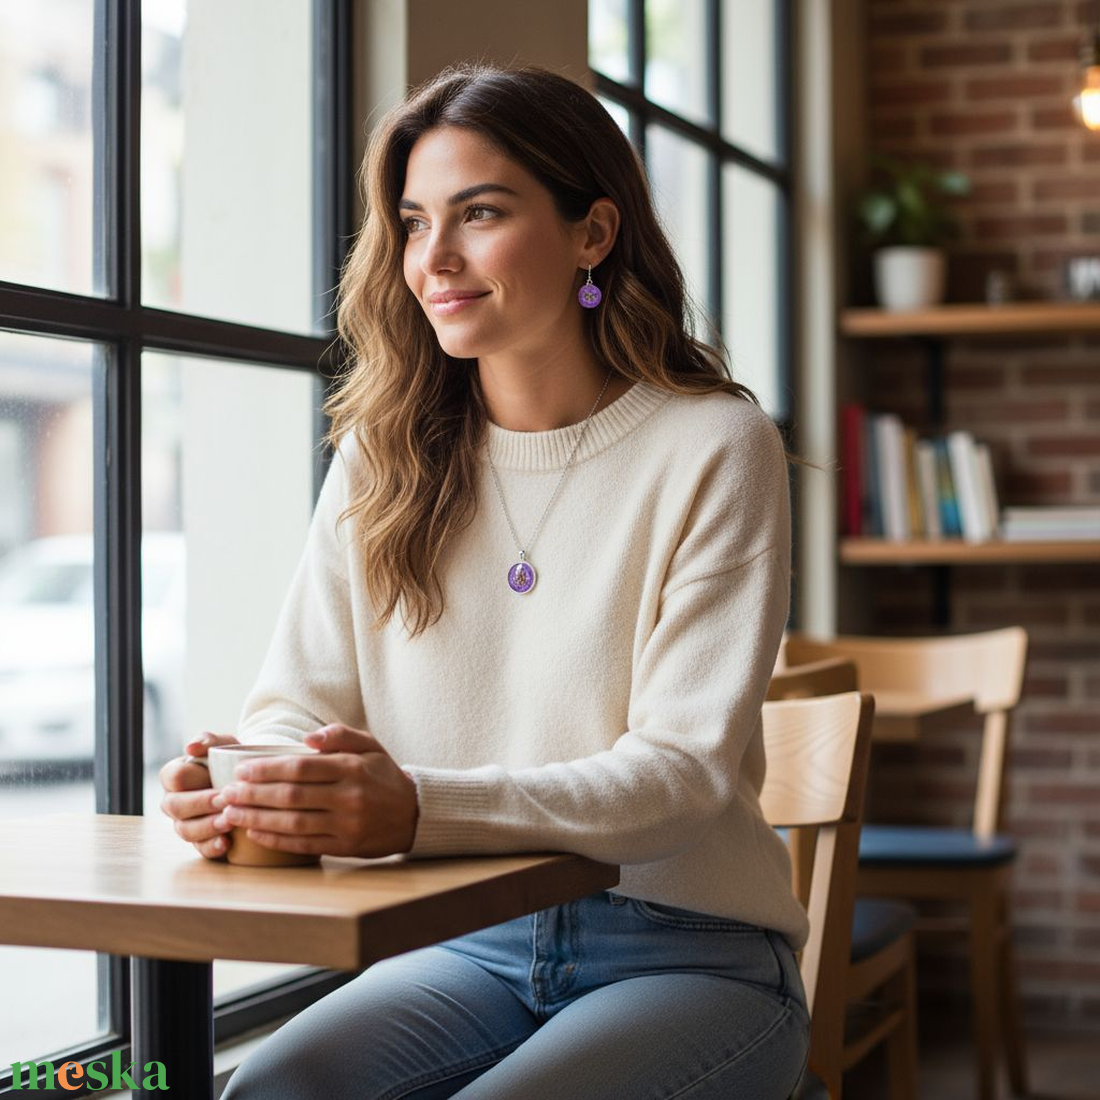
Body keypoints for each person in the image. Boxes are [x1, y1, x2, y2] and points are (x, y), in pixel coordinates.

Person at [160, 63, 809, 1100]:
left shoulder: (714, 445)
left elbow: (679, 773)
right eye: (414, 224)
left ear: (592, 232)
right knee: (266, 1089)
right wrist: (259, 789)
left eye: (480, 214)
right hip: (463, 939)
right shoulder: (382, 457)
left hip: (690, 951)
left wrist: (413, 807)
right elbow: (292, 706)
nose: (435, 259)